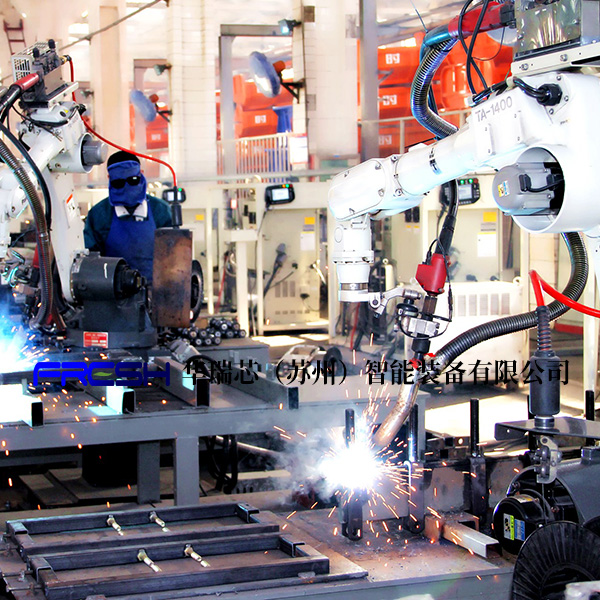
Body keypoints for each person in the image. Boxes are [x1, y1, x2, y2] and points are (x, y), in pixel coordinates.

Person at [83, 151, 172, 282]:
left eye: (133, 180)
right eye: (119, 183)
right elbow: (91, 261)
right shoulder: (99, 215)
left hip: (157, 289)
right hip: (113, 290)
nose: (127, 188)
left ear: (141, 173)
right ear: (109, 179)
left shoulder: (160, 211)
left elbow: (173, 257)